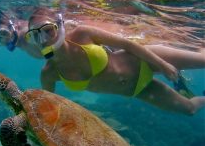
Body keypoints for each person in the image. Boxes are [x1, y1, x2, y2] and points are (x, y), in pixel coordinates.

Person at [24, 8, 205, 115]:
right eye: (35, 35)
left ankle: (201, 47)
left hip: (142, 60)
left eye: (48, 30)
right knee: (189, 109)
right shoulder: (49, 73)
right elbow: (49, 107)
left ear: (60, 26)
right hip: (137, 89)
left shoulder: (82, 33)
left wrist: (163, 65)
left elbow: (126, 43)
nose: (44, 39)